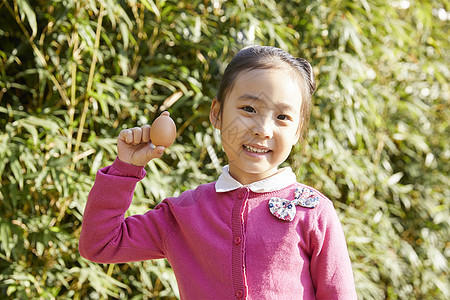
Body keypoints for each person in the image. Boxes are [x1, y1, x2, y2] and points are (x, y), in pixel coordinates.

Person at [79, 45, 357, 299]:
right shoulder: (184, 213)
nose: (263, 129)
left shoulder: (314, 213)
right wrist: (126, 167)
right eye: (248, 109)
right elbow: (100, 243)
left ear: (298, 131)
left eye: (282, 117)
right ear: (217, 113)